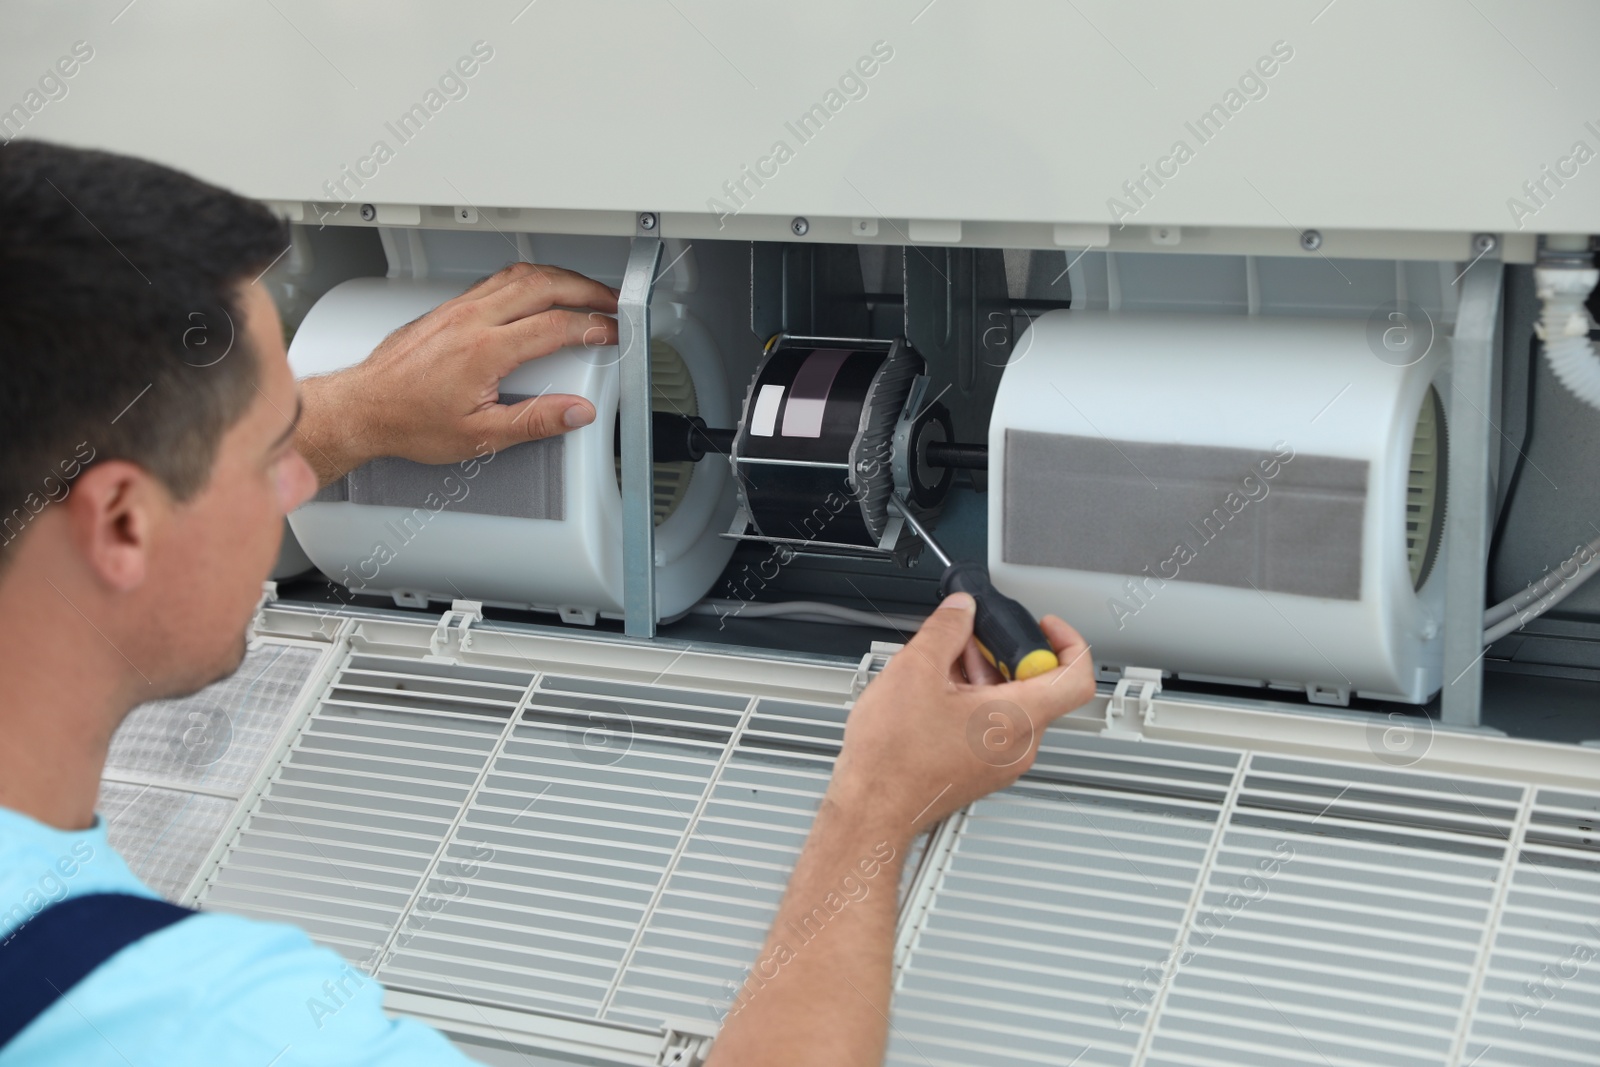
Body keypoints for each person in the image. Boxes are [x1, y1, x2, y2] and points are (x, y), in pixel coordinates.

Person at [0, 141, 1095, 1066]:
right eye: (275, 452)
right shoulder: (204, 1024)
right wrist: (877, 805)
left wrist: (350, 413)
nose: (305, 479)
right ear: (124, 524)